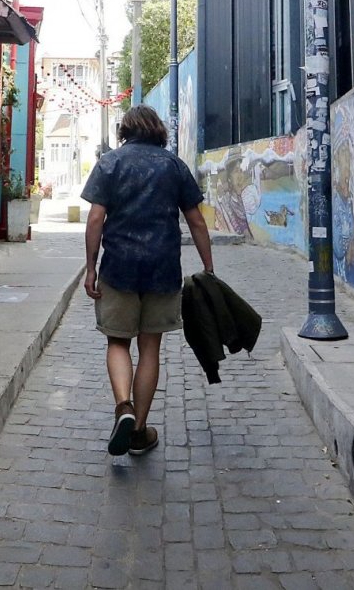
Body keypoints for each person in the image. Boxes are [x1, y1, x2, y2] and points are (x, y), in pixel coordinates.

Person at [81, 105, 214, 456]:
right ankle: (139, 430)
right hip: (162, 269)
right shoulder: (173, 166)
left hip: (119, 269)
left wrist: (91, 267)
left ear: (125, 129)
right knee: (150, 348)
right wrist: (208, 268)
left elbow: (95, 219)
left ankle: (122, 406)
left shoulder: (110, 163)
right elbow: (197, 222)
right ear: (157, 130)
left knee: (118, 343)